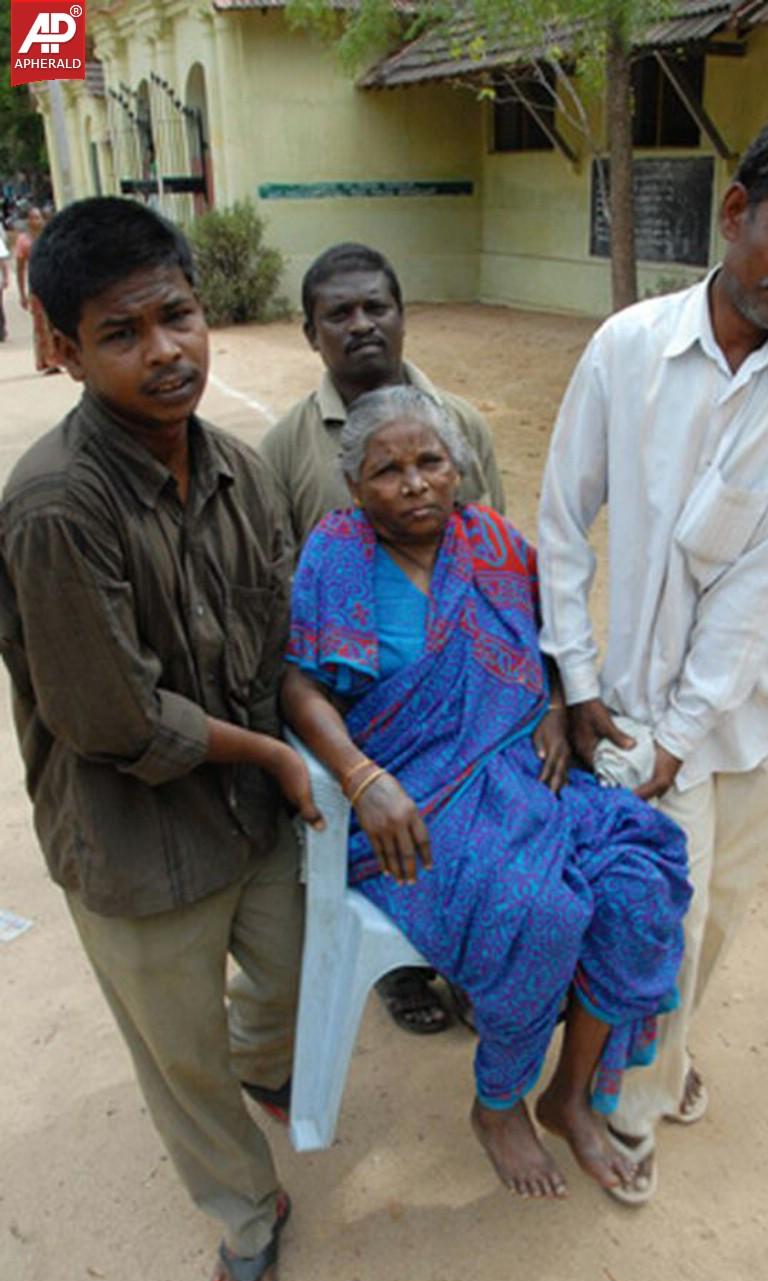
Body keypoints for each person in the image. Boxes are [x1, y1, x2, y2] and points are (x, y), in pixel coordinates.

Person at [537, 113, 768, 1191]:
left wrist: (680, 745)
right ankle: (628, 1111)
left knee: (716, 923)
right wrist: (582, 684)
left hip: (754, 707)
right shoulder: (629, 348)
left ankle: (665, 1066)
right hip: (634, 711)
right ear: (735, 214)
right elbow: (561, 523)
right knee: (665, 928)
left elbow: (766, 580)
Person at [0, 197, 325, 1281]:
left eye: (177, 316)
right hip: (134, 846)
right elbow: (116, 722)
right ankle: (244, 1209)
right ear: (62, 349)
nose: (165, 352)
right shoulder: (53, 506)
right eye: (120, 333)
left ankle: (259, 1064)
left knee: (287, 979)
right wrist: (286, 765)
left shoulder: (237, 466)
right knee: (178, 1059)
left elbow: (281, 641)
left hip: (249, 818)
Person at [282, 385, 691, 1204]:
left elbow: (541, 647)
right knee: (536, 911)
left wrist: (546, 702)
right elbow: (299, 688)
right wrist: (363, 780)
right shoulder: (336, 554)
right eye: (387, 470)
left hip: (521, 776)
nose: (414, 483)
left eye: (429, 461)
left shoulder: (495, 545)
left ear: (458, 465)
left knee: (640, 883)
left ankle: (567, 1096)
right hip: (410, 803)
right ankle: (499, 1101)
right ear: (355, 487)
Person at [262, 240, 507, 1037]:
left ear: (403, 316)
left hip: (459, 686)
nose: (361, 325)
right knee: (382, 815)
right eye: (339, 313)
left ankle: (479, 957)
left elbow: (493, 558)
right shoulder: (287, 446)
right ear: (311, 333)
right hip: (359, 701)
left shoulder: (462, 421)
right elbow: (281, 593)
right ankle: (401, 967)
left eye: (377, 307)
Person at [14, 205, 61, 373]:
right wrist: (22, 294)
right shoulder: (23, 241)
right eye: (33, 218)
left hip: (53, 285)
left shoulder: (50, 238)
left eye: (39, 217)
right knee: (41, 325)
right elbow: (20, 268)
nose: (37, 221)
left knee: (56, 322)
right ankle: (48, 361)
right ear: (28, 221)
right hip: (36, 288)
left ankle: (60, 357)